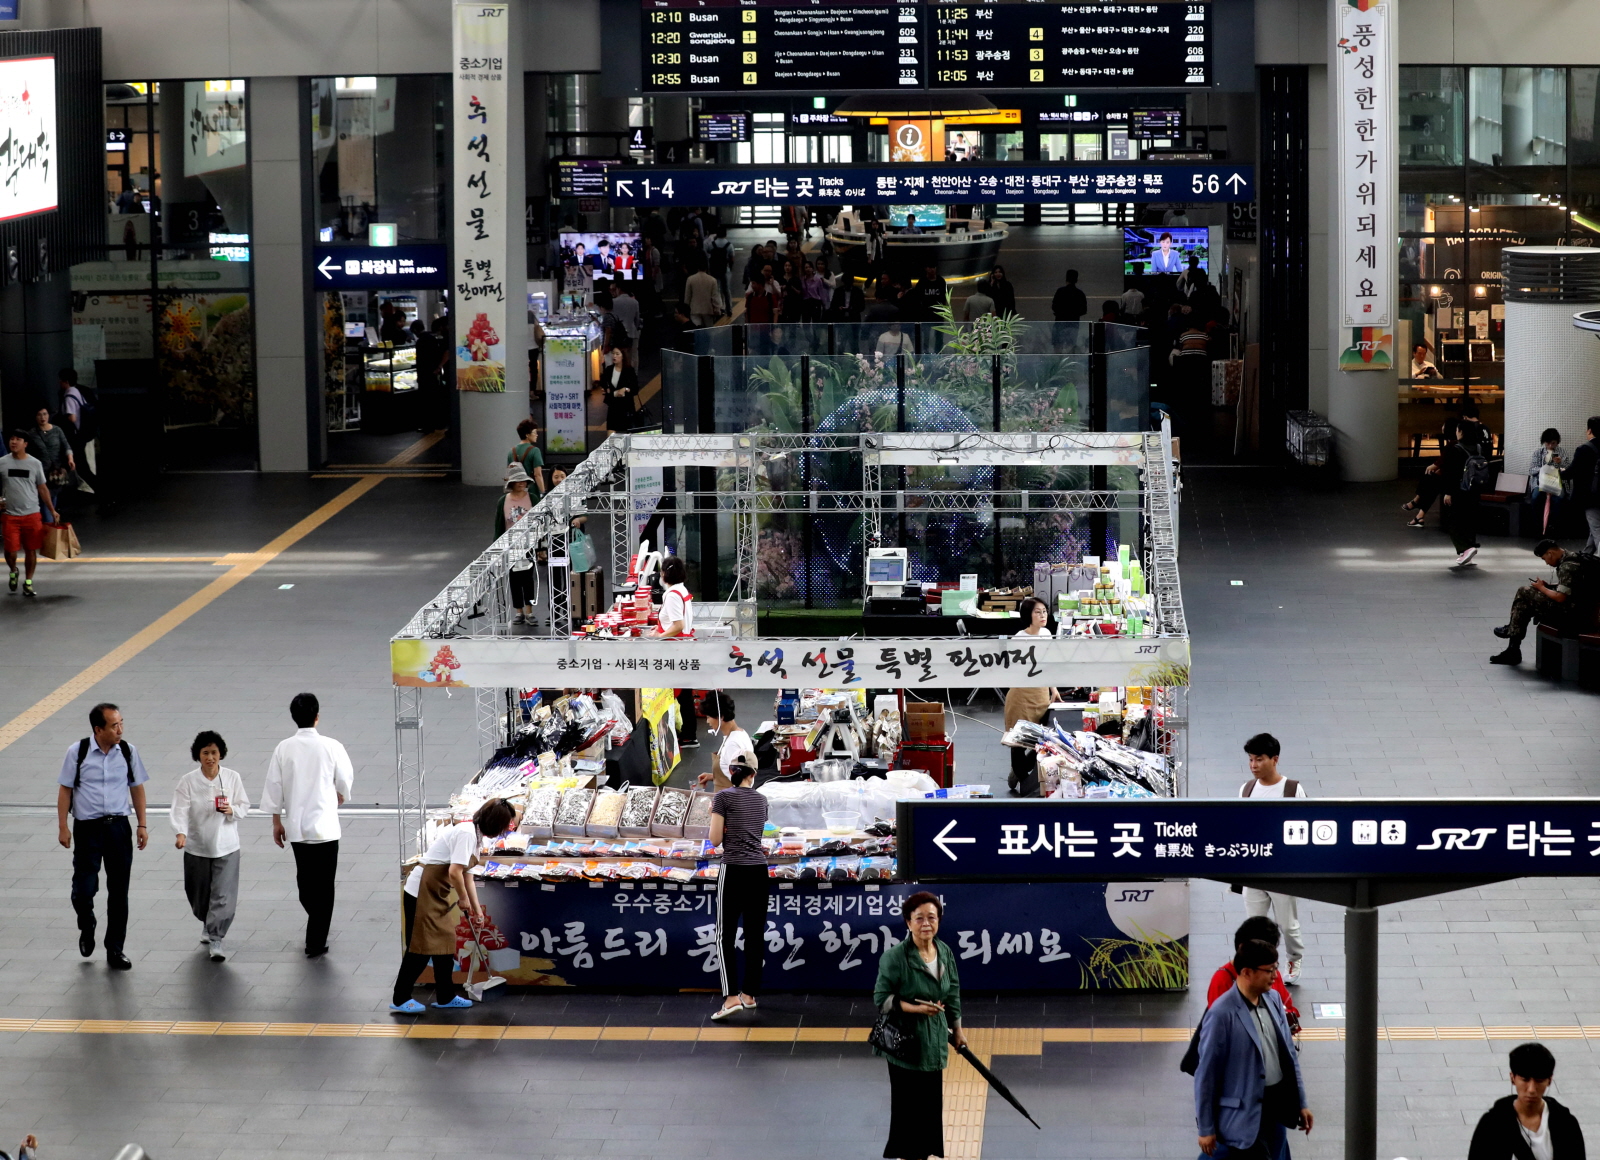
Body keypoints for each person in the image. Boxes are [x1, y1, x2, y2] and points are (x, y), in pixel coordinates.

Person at [390, 797, 517, 1013]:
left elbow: (467, 875)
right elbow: (454, 872)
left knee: (445, 945)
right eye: (506, 826)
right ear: (496, 824)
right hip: (421, 892)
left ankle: (445, 996)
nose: (507, 829)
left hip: (435, 892)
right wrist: (463, 899)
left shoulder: (476, 837)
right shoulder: (467, 833)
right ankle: (400, 998)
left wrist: (477, 911)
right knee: (420, 948)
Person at [1195, 939, 1312, 1160]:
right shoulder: (1222, 1014)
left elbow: (1288, 1055)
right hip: (1243, 1113)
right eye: (1269, 970)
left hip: (1275, 1107)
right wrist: (1206, 1128)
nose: (1275, 976)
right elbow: (1206, 1075)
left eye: (1276, 969)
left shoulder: (1274, 998)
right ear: (1247, 972)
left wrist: (1301, 1102)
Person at [259, 693, 354, 958]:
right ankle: (319, 926)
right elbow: (345, 777)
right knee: (325, 885)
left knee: (306, 884)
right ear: (317, 716)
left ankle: (315, 937)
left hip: (298, 829)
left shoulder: (284, 748)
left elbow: (273, 786)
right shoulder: (332, 746)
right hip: (325, 829)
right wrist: (342, 794)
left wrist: (276, 821)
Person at [56, 702, 149, 969]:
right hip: (88, 829)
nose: (120, 729)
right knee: (84, 889)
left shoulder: (128, 752)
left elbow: (137, 788)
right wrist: (63, 826)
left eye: (121, 723)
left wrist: (142, 825)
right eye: (114, 725)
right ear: (98, 729)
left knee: (119, 892)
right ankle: (87, 923)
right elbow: (65, 790)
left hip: (118, 828)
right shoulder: (78, 752)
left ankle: (115, 949)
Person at [874, 891, 966, 1160]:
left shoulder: (944, 951)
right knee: (908, 1108)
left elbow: (952, 993)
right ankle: (909, 1155)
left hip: (934, 1042)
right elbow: (881, 999)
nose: (926, 924)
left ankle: (922, 1154)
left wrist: (957, 1029)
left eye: (932, 918)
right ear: (908, 922)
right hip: (905, 1044)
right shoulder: (895, 957)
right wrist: (916, 1008)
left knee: (928, 1106)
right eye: (919, 918)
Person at [169, 730, 251, 962]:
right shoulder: (188, 781)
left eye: (214, 752)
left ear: (220, 754)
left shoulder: (232, 778)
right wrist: (181, 833)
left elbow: (244, 804)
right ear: (198, 755)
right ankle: (207, 921)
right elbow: (180, 810)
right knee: (199, 894)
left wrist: (232, 810)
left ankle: (216, 936)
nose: (210, 757)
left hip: (226, 847)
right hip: (197, 847)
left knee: (223, 895)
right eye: (205, 753)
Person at [1237, 733, 1305, 984]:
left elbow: (1303, 827)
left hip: (1282, 871)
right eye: (1251, 760)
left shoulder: (1292, 789)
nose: (1254, 765)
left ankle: (1294, 958)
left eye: (1259, 759)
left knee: (1287, 924)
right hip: (1254, 870)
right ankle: (1260, 965)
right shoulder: (1246, 789)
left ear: (1274, 760)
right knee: (1254, 925)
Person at [708, 753, 769, 1021]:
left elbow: (714, 840)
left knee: (726, 935)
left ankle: (731, 997)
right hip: (759, 871)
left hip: (733, 869)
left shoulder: (722, 798)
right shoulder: (762, 800)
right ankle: (749, 994)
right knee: (755, 934)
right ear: (753, 774)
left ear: (731, 771)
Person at [1468, 1043, 1585, 1160]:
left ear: (1549, 1080)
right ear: (1512, 1078)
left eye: (1539, 1081)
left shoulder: (1565, 1124)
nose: (1531, 1089)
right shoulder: (1492, 1125)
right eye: (1525, 1080)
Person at [1490, 539, 1595, 666]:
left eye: (1544, 559)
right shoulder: (1575, 558)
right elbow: (1571, 586)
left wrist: (1542, 588)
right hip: (1581, 608)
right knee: (1524, 603)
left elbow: (1560, 598)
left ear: (1550, 553)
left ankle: (1512, 638)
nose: (1546, 563)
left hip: (1571, 613)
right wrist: (1550, 586)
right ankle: (1512, 644)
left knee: (1524, 592)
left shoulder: (1567, 566)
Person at [1206, 915, 1301, 1036]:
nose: (1274, 975)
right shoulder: (1223, 980)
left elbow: (1287, 1006)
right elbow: (1217, 1030)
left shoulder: (1271, 972)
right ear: (1243, 948)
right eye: (1264, 951)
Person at [1003, 596, 1058, 797]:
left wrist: (1053, 688)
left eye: (1044, 611)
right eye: (1038, 612)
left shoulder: (1047, 634)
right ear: (1028, 615)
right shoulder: (1019, 639)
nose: (1043, 615)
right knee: (1018, 740)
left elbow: (1048, 665)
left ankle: (1018, 772)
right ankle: (1020, 776)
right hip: (1021, 694)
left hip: (1041, 693)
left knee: (1041, 740)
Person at [1, 429, 58, 599]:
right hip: (10, 515)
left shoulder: (35, 464)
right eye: (12, 438)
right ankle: (13, 570)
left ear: (25, 444)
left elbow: (42, 487)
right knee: (10, 551)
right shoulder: (2, 462)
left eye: (18, 439)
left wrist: (52, 510)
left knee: (31, 549)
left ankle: (28, 581)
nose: (14, 442)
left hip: (32, 514)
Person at [653, 555, 699, 748]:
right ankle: (689, 733)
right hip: (683, 647)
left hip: (675, 649)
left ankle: (688, 735)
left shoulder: (671, 595)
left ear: (665, 574)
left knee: (680, 694)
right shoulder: (681, 590)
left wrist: (658, 637)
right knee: (684, 693)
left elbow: (677, 625)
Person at [1441, 416, 1488, 568]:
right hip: (1475, 489)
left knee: (1453, 521)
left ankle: (1465, 548)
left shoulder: (1455, 449)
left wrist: (1448, 492)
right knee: (1469, 519)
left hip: (1459, 490)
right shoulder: (1480, 447)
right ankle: (1469, 549)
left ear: (1460, 432)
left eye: (1457, 430)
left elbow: (1450, 473)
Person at [496, 464, 537, 627]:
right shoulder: (502, 501)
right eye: (518, 480)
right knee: (514, 579)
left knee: (528, 579)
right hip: (510, 546)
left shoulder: (533, 498)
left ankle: (530, 611)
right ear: (511, 483)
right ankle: (519, 611)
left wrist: (541, 547)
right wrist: (498, 549)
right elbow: (499, 526)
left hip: (529, 545)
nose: (521, 483)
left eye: (523, 480)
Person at [27, 406, 75, 518]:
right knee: (44, 503)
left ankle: (51, 527)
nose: (42, 417)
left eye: (45, 414)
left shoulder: (57, 430)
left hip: (55, 473)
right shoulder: (32, 433)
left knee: (53, 500)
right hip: (40, 472)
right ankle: (49, 526)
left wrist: (70, 459)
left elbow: (66, 446)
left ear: (49, 415)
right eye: (39, 414)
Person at [1562, 416, 1600, 553]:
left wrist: (1559, 473)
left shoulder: (1584, 449)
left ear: (1589, 431)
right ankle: (1587, 556)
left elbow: (1572, 472)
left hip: (1591, 497)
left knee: (1596, 529)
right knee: (1595, 528)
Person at [1527, 428, 1567, 535]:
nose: (1550, 446)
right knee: (1535, 498)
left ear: (1557, 443)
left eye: (1553, 443)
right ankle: (1537, 526)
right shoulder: (1538, 453)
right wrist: (1545, 467)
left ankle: (1553, 527)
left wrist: (1558, 465)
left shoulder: (1562, 453)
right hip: (1540, 483)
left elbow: (1566, 470)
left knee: (1559, 498)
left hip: (1556, 482)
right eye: (1547, 443)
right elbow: (1531, 470)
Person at [506, 418, 546, 496]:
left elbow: (510, 474)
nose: (537, 435)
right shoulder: (535, 450)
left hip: (516, 491)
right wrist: (543, 492)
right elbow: (537, 474)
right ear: (527, 435)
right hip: (532, 490)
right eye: (535, 432)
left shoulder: (511, 451)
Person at [683, 256, 724, 329]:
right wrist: (718, 308)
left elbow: (687, 297)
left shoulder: (690, 279)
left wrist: (686, 309)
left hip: (694, 310)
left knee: (696, 331)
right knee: (709, 331)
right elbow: (715, 296)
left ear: (697, 267)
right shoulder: (712, 280)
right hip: (708, 310)